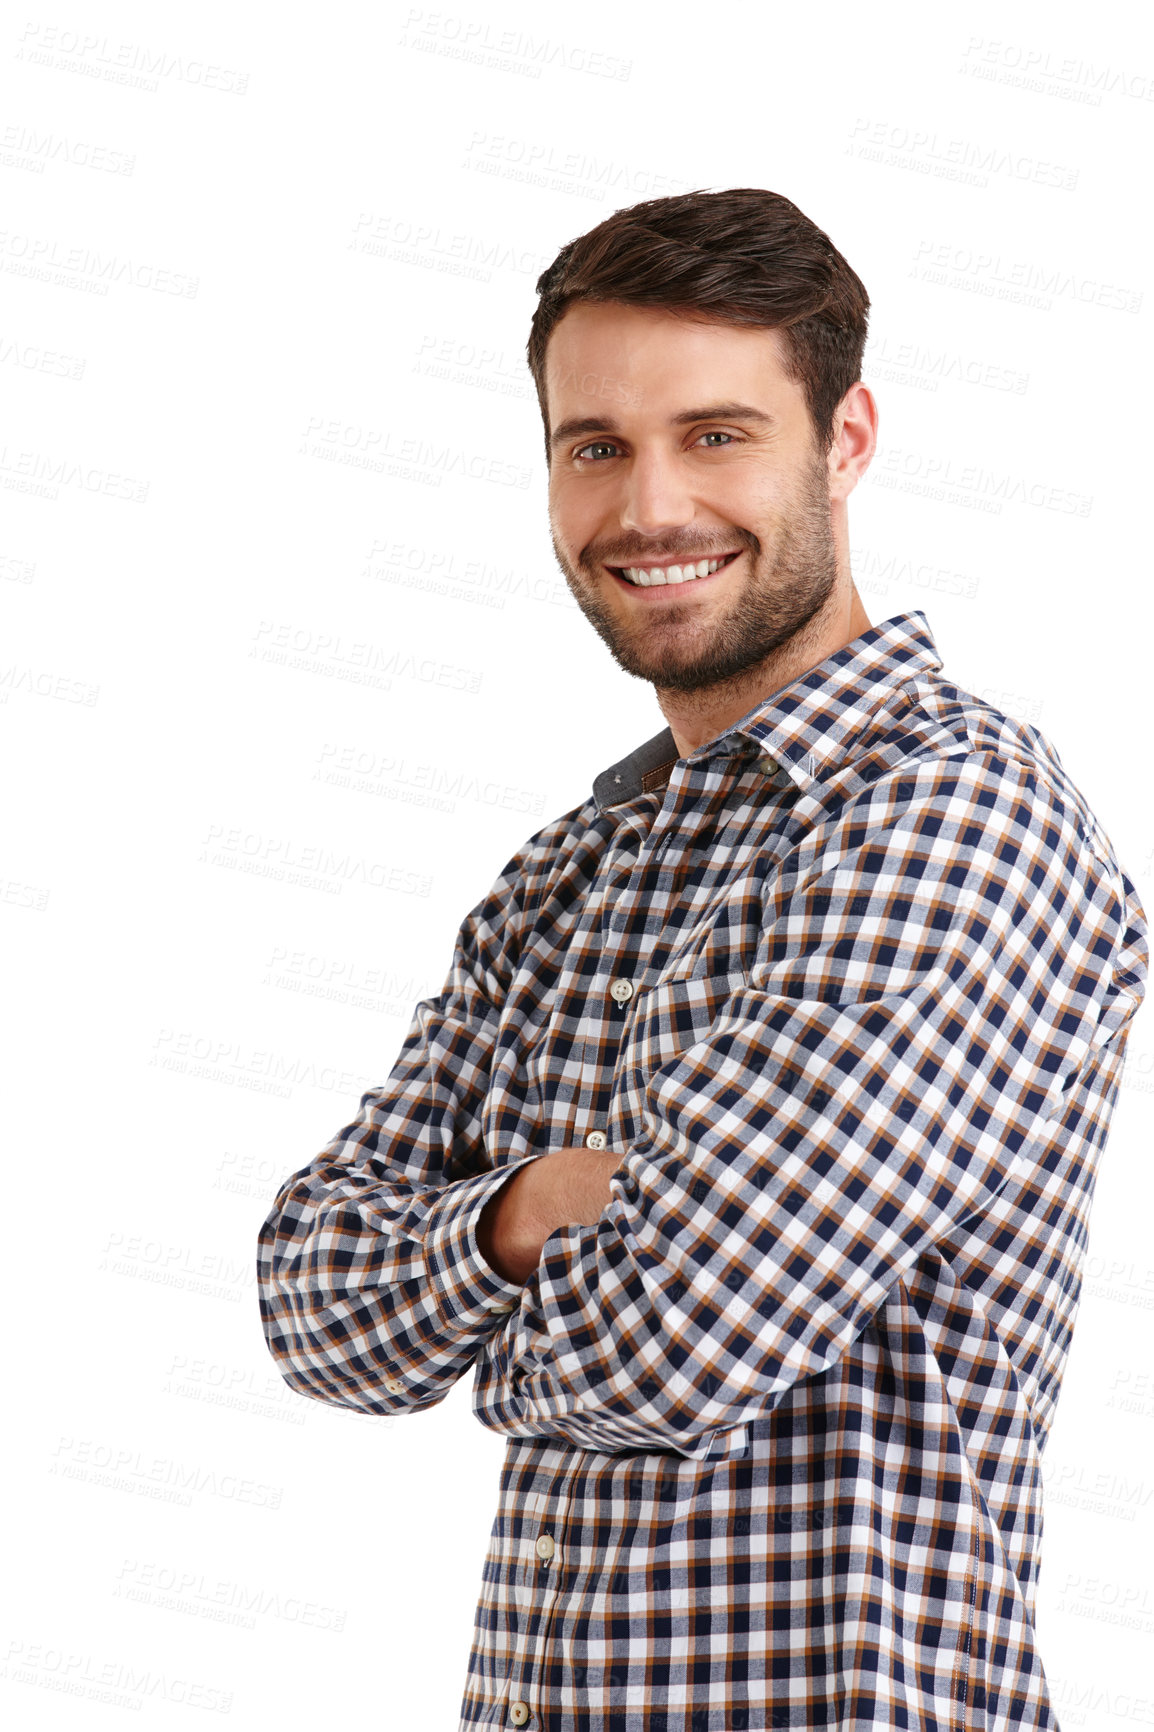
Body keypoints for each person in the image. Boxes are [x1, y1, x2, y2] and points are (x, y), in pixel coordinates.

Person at [256, 187, 1148, 1730]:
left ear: (845, 439)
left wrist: (480, 1307)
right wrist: (539, 1204)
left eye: (717, 435)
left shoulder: (951, 813)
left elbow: (678, 1340)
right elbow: (308, 1300)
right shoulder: (568, 874)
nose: (650, 506)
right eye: (594, 446)